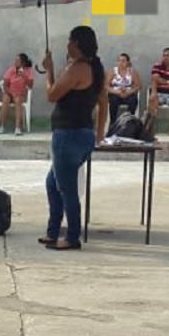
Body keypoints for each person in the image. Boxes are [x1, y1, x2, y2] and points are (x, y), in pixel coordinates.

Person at [39, 26, 108, 251]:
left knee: (67, 188)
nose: (67, 45)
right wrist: (98, 133)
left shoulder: (78, 68)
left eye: (70, 41)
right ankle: (52, 232)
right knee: (53, 183)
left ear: (77, 44)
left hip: (68, 134)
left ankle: (72, 236)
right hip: (83, 133)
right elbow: (104, 103)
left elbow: (51, 95)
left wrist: (48, 71)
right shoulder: (95, 68)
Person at [0, 53, 35, 135]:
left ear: (23, 63)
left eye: (18, 60)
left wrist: (24, 76)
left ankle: (18, 128)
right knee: (5, 100)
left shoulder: (28, 70)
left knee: (18, 100)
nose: (15, 62)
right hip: (9, 92)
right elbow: (5, 85)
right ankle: (1, 126)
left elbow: (30, 86)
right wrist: (12, 93)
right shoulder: (11, 69)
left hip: (20, 93)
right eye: (15, 60)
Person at [105, 53, 141, 125]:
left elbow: (138, 86)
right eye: (119, 61)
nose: (121, 63)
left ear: (127, 62)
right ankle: (113, 123)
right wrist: (117, 92)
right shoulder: (112, 71)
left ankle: (130, 122)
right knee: (113, 101)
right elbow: (106, 86)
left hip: (128, 92)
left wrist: (128, 92)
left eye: (123, 61)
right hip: (115, 92)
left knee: (133, 101)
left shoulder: (132, 72)